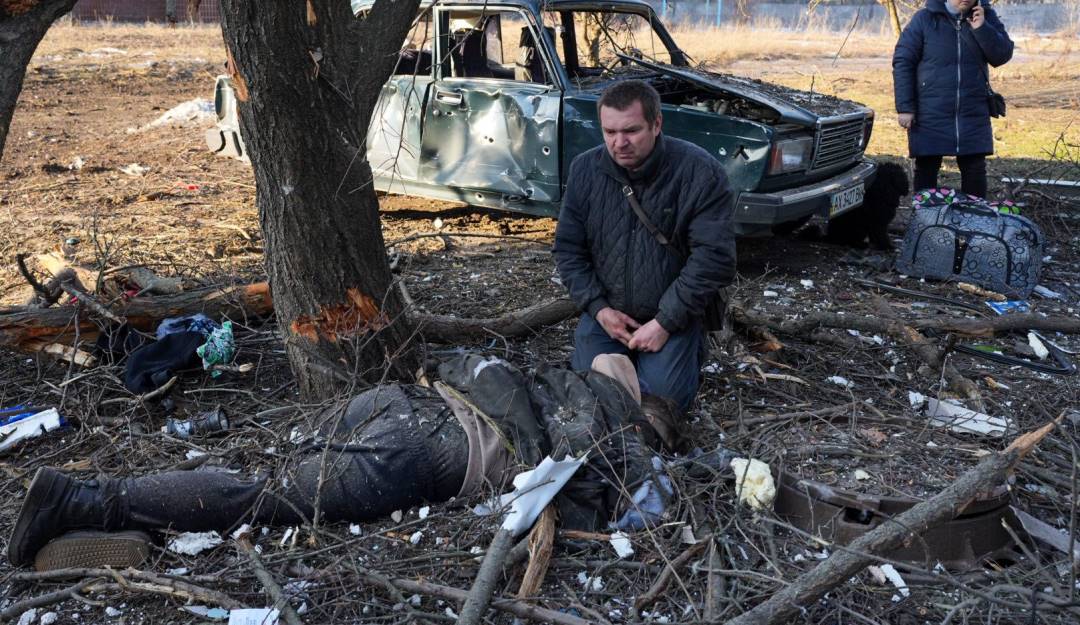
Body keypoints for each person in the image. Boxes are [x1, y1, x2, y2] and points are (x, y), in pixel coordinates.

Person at [7, 354, 684, 569]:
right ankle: (81, 499)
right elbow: (609, 507)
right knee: (267, 497)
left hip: (398, 399)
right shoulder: (620, 429)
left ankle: (140, 523)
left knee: (273, 473)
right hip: (430, 450)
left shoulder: (547, 376)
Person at [553, 80, 736, 412]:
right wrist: (598, 309)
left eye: (631, 131)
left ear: (656, 123)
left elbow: (714, 258)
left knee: (661, 407)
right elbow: (568, 249)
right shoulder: (585, 171)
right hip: (608, 314)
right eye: (609, 132)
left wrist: (666, 322)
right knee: (588, 400)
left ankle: (686, 351)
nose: (619, 143)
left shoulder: (700, 172)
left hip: (671, 315)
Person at [893, 0, 1014, 199]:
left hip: (972, 110)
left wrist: (982, 28)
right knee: (927, 168)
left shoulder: (986, 16)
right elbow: (903, 61)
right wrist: (905, 106)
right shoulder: (924, 19)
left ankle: (974, 223)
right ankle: (924, 222)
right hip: (930, 110)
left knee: (975, 169)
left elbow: (1002, 55)